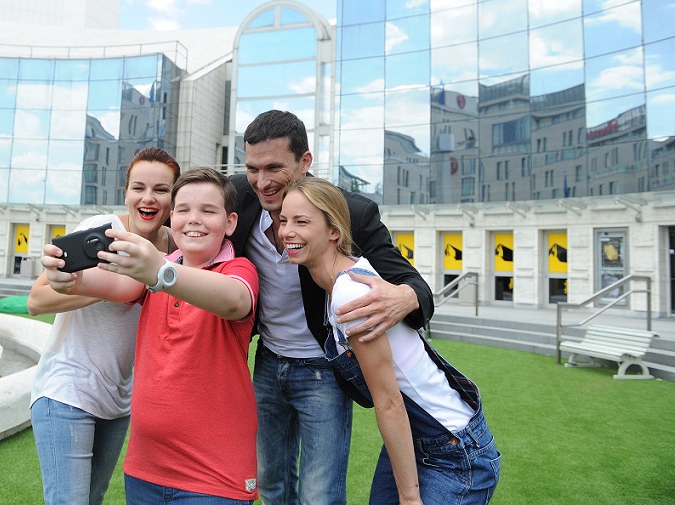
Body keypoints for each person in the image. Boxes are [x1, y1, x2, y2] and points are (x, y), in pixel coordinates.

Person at [227, 110, 434, 504]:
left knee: (319, 495)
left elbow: (415, 286)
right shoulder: (239, 197)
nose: (262, 181)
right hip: (266, 364)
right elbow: (184, 213)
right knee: (270, 485)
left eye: (274, 168)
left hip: (323, 371)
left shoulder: (350, 212)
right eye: (252, 168)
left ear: (305, 161)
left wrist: (404, 298)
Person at [42, 167, 260, 504]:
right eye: (184, 209)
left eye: (208, 211)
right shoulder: (155, 269)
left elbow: (234, 300)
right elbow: (103, 284)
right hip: (145, 472)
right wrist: (66, 276)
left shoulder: (237, 269)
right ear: (172, 218)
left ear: (230, 223)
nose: (194, 219)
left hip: (214, 477)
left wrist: (161, 272)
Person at [279, 177, 500, 504]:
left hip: (452, 449)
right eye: (283, 220)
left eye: (301, 222)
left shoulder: (350, 293)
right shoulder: (338, 285)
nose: (287, 231)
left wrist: (409, 498)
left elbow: (389, 402)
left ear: (334, 231)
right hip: (419, 439)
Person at [28, 147, 180, 505]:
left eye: (160, 190)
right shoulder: (102, 231)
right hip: (67, 390)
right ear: (126, 193)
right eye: (139, 188)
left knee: (93, 498)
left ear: (173, 199)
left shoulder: (176, 246)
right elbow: (37, 299)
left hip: (118, 401)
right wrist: (116, 287)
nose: (148, 198)